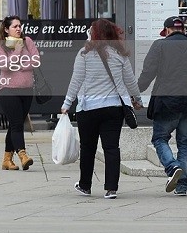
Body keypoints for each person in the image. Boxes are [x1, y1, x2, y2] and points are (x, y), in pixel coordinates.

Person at [61, 19, 142, 199]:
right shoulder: (120, 54)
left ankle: (85, 186)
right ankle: (111, 189)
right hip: (113, 108)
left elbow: (76, 81)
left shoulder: (83, 54)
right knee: (112, 148)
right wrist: (136, 99)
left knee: (88, 147)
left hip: (87, 109)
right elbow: (130, 81)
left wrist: (67, 104)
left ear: (94, 34)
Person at [138, 16, 187, 196]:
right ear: (184, 30)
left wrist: (135, 93)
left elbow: (148, 73)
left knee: (160, 139)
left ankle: (172, 167)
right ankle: (182, 185)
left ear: (167, 31)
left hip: (166, 103)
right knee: (184, 144)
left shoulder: (159, 46)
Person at [0, 16, 41, 171]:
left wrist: (19, 65)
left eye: (20, 26)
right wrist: (17, 51)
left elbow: (36, 60)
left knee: (15, 124)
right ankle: (23, 154)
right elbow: (4, 66)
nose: (19, 29)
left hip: (26, 89)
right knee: (17, 124)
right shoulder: (1, 46)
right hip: (7, 90)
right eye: (15, 26)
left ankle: (7, 160)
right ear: (6, 29)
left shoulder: (28, 41)